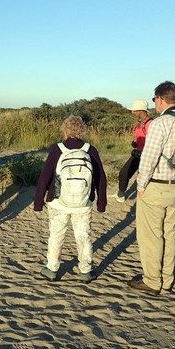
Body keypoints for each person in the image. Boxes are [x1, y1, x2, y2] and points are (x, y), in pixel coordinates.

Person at [128, 81, 175, 296]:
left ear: (161, 99)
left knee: (151, 236)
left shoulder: (161, 123)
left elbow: (149, 157)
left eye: (155, 99)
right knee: (169, 234)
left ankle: (153, 280)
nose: (154, 102)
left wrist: (141, 185)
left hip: (156, 186)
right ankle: (166, 279)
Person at [34, 116, 107, 282]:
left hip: (58, 202)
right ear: (82, 131)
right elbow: (101, 178)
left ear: (65, 130)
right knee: (84, 236)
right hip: (84, 203)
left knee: (56, 235)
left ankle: (52, 269)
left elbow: (44, 177)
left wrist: (38, 202)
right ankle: (86, 271)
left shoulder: (57, 149)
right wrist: (101, 203)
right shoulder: (90, 149)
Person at [115, 99, 152, 202]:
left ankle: (142, 199)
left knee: (143, 177)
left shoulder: (151, 124)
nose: (132, 112)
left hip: (146, 155)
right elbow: (136, 138)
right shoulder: (138, 123)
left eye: (134, 110)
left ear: (141, 110)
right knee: (124, 172)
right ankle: (120, 194)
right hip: (137, 153)